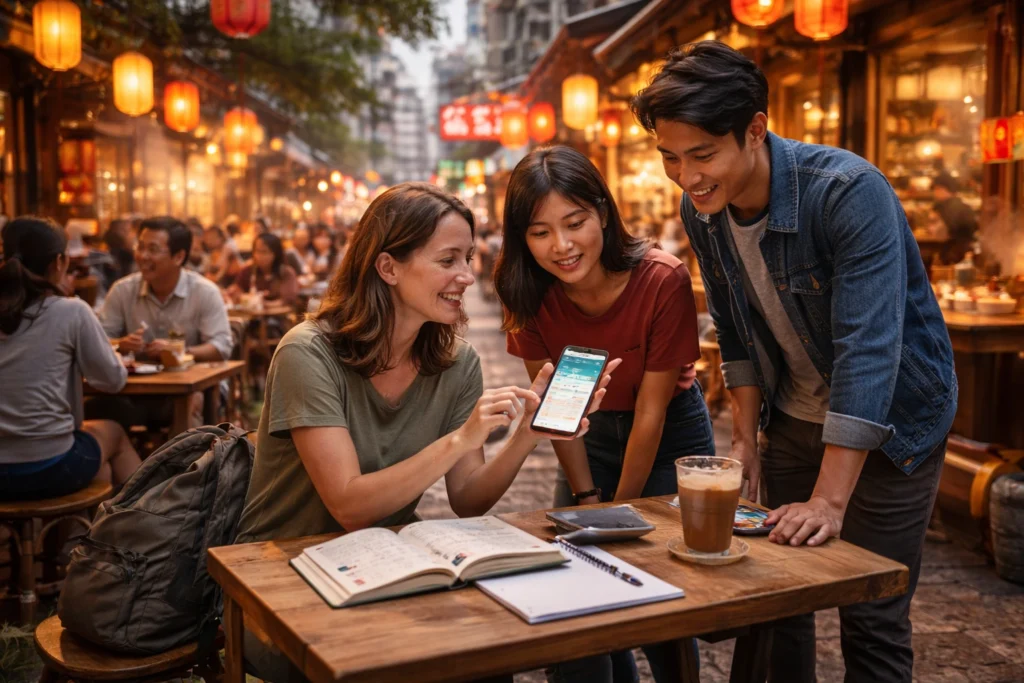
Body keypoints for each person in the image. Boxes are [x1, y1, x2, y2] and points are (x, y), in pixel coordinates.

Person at [631, 41, 957, 683]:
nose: (686, 175)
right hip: (791, 421)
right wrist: (747, 437)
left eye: (702, 154)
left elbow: (869, 352)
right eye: (670, 156)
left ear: (754, 130)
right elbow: (735, 328)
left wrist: (830, 504)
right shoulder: (704, 209)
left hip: (893, 426)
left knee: (873, 610)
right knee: (774, 604)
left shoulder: (847, 192)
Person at [235, 182, 616, 682]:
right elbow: (349, 506)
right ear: (388, 267)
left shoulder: (456, 362)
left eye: (469, 257)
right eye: (448, 260)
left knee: (493, 652)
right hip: (281, 576)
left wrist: (529, 432)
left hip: (386, 568)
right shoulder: (308, 353)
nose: (465, 275)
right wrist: (460, 439)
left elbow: (468, 499)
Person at [494, 145, 713, 683]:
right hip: (585, 437)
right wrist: (589, 498)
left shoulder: (661, 280)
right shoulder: (525, 291)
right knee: (572, 589)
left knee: (660, 595)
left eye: (575, 223)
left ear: (603, 214)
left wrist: (617, 515)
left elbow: (652, 412)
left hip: (666, 436)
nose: (562, 246)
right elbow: (558, 410)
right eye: (540, 232)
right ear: (522, 237)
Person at [0, 217, 141, 500]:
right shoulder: (71, 312)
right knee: (112, 434)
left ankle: (71, 542)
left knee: (97, 467)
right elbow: (112, 380)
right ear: (60, 262)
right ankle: (152, 526)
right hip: (48, 465)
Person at [89, 216, 233, 432]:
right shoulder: (122, 291)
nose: (143, 256)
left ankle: (186, 465)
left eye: (153, 249)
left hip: (196, 388)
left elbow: (221, 346)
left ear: (179, 257)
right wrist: (121, 344)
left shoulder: (204, 292)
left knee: (191, 405)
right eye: (140, 246)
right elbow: (100, 342)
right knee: (94, 410)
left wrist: (179, 351)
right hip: (137, 390)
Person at [229, 233, 299, 307]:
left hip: (278, 317)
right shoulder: (247, 271)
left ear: (275, 254)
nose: (259, 256)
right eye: (257, 251)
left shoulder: (286, 272)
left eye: (264, 252)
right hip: (250, 317)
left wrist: (264, 304)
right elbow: (237, 292)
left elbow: (287, 301)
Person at [931, 172, 978, 264]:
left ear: (945, 189)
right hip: (965, 254)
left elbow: (940, 234)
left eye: (937, 189)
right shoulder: (963, 206)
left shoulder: (944, 207)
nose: (935, 192)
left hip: (953, 255)